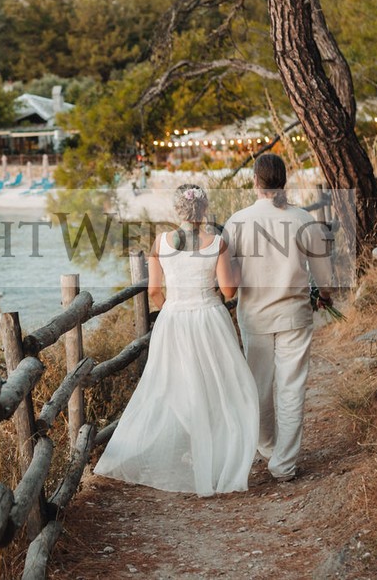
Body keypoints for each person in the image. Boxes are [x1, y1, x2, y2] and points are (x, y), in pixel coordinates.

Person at [94, 184, 259, 495]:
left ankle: (196, 448)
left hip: (173, 320)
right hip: (209, 318)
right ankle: (214, 453)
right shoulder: (218, 243)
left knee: (176, 385)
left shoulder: (161, 242)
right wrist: (235, 270)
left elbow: (154, 290)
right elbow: (228, 291)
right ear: (204, 209)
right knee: (218, 385)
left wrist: (170, 308)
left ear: (177, 210)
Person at [224, 153, 333, 482]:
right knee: (291, 388)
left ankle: (269, 447)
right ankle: (284, 463)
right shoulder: (303, 219)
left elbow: (228, 278)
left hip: (254, 317)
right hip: (294, 316)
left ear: (255, 181)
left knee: (258, 388)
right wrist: (324, 296)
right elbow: (325, 278)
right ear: (284, 181)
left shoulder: (237, 222)